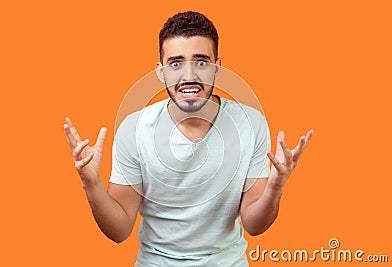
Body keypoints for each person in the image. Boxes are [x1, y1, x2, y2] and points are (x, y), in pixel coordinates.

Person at [64, 11, 313, 266]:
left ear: (217, 68)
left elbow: (254, 224)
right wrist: (91, 183)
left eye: (201, 62)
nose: (189, 76)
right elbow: (119, 231)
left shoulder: (250, 124)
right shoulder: (135, 128)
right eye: (176, 63)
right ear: (160, 72)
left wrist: (275, 187)